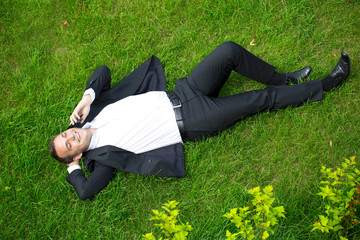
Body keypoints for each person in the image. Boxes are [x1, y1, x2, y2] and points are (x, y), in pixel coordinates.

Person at [49, 41, 351, 200]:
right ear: (76, 154)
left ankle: (283, 78)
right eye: (68, 146)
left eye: (65, 134)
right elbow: (86, 192)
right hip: (194, 120)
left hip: (185, 91)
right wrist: (73, 169)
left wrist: (88, 96)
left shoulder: (95, 110)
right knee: (259, 100)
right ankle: (324, 85)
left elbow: (102, 71)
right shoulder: (103, 160)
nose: (71, 137)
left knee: (229, 51)